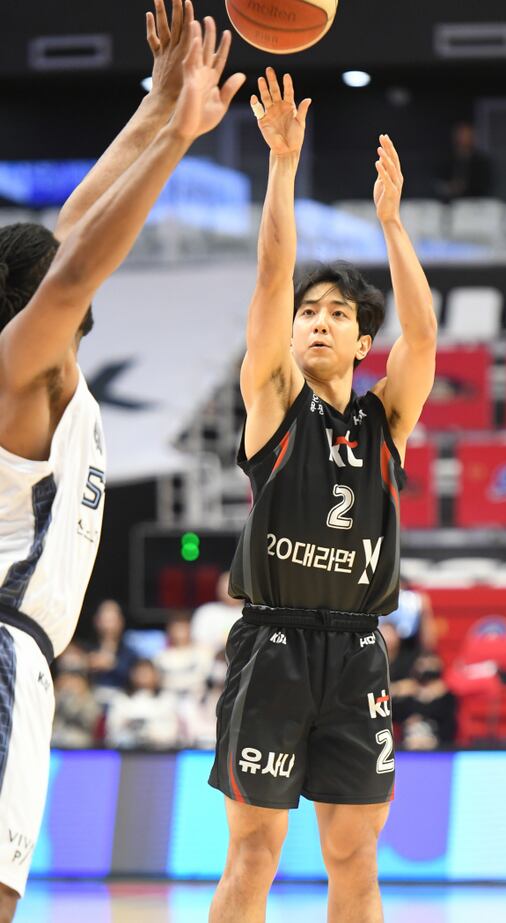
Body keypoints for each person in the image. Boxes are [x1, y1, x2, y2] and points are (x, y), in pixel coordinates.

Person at [0, 5, 245, 915]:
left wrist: (157, 102)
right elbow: (74, 266)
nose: (84, 257)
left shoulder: (40, 365)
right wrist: (177, 140)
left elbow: (75, 231)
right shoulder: (20, 365)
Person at [207, 67, 437, 923]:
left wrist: (392, 223)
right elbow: (272, 275)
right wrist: (282, 166)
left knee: (356, 858)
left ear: (362, 340)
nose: (316, 320)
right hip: (273, 644)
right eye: (310, 311)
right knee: (252, 855)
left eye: (338, 313)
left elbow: (425, 335)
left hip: (357, 651)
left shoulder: (385, 422)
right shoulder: (275, 402)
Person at [105, 657, 182, 749]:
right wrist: (133, 726)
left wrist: (150, 730)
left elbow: (172, 729)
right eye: (139, 672)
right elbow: (113, 728)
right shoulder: (121, 699)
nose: (143, 676)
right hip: (127, 751)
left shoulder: (167, 698)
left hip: (161, 750)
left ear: (155, 674)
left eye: (146, 672)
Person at [392, 653, 457, 750]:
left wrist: (435, 694)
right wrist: (396, 689)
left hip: (439, 748)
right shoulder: (406, 696)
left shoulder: (446, 697)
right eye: (422, 665)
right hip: (405, 748)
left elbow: (449, 726)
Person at [87, 599, 137, 703]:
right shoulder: (86, 650)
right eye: (104, 620)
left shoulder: (130, 654)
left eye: (112, 620)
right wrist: (86, 663)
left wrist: (112, 664)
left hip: (122, 700)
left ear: (121, 622)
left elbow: (135, 677)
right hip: (92, 699)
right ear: (96, 621)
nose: (108, 626)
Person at [434, 121, 492, 201]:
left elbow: (487, 184)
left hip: (475, 201)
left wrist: (465, 187)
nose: (463, 138)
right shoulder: (445, 159)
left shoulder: (482, 161)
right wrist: (450, 187)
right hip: (449, 202)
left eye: (467, 134)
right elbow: (437, 182)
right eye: (461, 134)